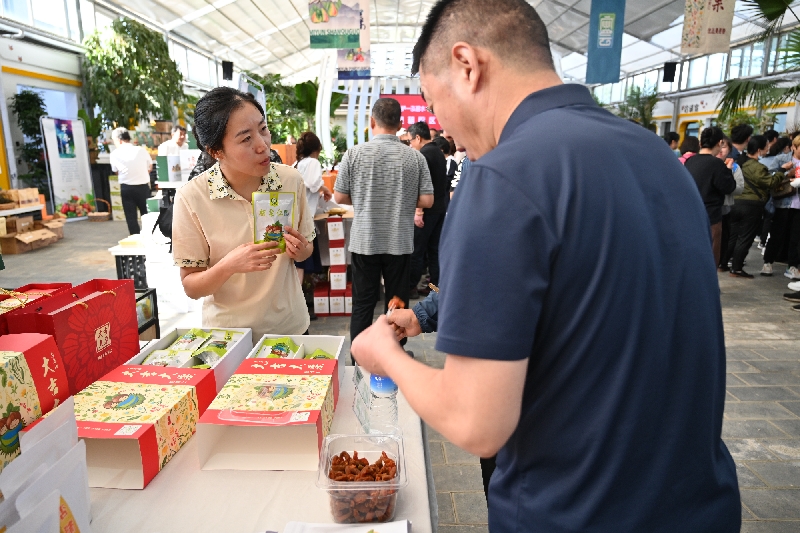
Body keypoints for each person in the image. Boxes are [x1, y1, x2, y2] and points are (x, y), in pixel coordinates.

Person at [350, 1, 740, 532]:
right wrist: (425, 314)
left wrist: (385, 357)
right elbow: (586, 284)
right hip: (697, 506)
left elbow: (475, 421)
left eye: (435, 102)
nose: (447, 131)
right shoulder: (656, 156)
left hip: (573, 511)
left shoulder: (500, 178)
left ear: (467, 65)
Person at [171, 87, 316, 339]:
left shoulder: (290, 180)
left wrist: (300, 250)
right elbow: (191, 287)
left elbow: (307, 249)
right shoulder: (192, 198)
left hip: (289, 329)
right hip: (229, 337)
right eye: (246, 138)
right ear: (216, 151)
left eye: (263, 129)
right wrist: (229, 265)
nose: (263, 145)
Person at [333, 98, 434, 357]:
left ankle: (359, 360)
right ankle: (394, 359)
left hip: (365, 241)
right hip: (399, 241)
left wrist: (365, 196)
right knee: (397, 304)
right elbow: (427, 200)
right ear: (400, 124)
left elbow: (339, 196)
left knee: (363, 305)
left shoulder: (354, 154)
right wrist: (401, 198)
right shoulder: (415, 157)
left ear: (372, 122)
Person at [727, 135, 788, 278]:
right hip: (751, 206)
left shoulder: (740, 163)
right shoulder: (757, 167)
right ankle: (736, 268)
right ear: (759, 150)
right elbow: (770, 182)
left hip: (735, 202)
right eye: (767, 146)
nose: (769, 149)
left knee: (733, 236)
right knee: (745, 238)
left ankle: (724, 263)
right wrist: (781, 172)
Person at [684, 126, 737, 267]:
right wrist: (728, 170)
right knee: (711, 256)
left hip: (691, 214)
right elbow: (729, 187)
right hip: (711, 216)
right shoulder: (717, 164)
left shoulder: (690, 161)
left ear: (701, 143)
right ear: (720, 143)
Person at [408, 121, 448, 298]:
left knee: (417, 251)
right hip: (439, 209)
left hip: (426, 211)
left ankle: (411, 287)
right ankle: (435, 288)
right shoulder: (438, 152)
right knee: (434, 251)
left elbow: (421, 186)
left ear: (418, 138)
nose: (411, 145)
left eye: (411, 141)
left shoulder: (423, 155)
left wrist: (418, 212)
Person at [293, 131, 332, 289]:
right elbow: (313, 183)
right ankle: (298, 299)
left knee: (297, 264)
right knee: (300, 265)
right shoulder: (313, 163)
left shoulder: (298, 164)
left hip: (295, 218)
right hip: (304, 220)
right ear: (317, 149)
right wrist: (325, 188)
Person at [763, 135, 800, 278]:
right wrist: (787, 173)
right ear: (793, 147)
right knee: (777, 234)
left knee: (795, 238)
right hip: (782, 203)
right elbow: (769, 177)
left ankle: (792, 266)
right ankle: (768, 262)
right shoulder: (781, 159)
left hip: (798, 205)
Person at [110, 127, 153, 235]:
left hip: (127, 188)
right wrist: (141, 174)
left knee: (131, 217)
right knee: (147, 216)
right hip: (143, 187)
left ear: (119, 140)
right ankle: (150, 237)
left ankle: (136, 239)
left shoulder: (115, 153)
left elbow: (115, 171)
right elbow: (150, 166)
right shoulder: (141, 150)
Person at [718, 137, 744, 272]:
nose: (721, 150)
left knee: (724, 239)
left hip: (725, 209)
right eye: (719, 146)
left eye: (724, 147)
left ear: (729, 150)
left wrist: (727, 186)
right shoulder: (709, 163)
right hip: (709, 209)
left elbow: (739, 188)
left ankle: (721, 262)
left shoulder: (734, 167)